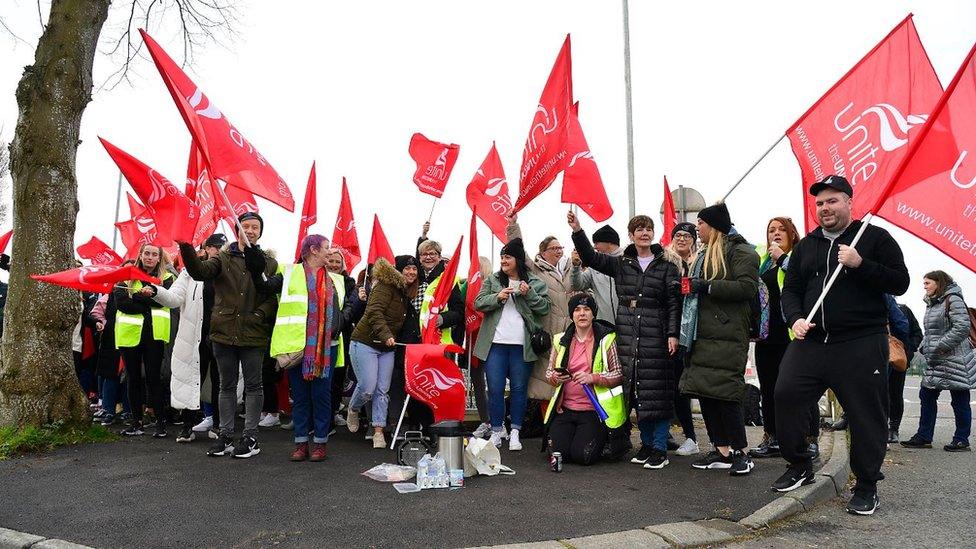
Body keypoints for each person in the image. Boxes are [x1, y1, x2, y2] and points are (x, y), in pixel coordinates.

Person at [773, 175, 909, 516]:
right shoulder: (806, 245)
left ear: (849, 201)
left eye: (832, 201)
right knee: (786, 395)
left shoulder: (874, 238)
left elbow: (900, 281)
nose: (825, 208)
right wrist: (795, 319)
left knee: (866, 415)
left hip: (861, 342)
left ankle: (866, 486)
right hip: (813, 341)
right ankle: (801, 462)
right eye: (820, 203)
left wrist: (861, 264)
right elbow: (790, 289)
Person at [570, 212, 681, 469]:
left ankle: (660, 448)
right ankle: (646, 443)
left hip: (657, 331)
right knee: (636, 389)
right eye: (639, 229)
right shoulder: (621, 263)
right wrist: (578, 231)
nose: (644, 233)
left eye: (648, 229)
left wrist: (672, 334)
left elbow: (674, 304)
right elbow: (590, 257)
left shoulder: (667, 266)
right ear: (631, 235)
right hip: (629, 331)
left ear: (653, 234)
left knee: (658, 391)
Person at [179, 212, 279, 459]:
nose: (251, 230)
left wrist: (258, 316)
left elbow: (271, 299)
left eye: (255, 227)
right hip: (224, 333)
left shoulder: (269, 262)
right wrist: (185, 246)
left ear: (260, 232)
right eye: (246, 226)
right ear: (238, 230)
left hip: (253, 335)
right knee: (226, 385)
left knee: (254, 386)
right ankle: (224, 435)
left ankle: (250, 437)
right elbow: (199, 271)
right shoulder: (223, 257)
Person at [250, 234, 359, 460]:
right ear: (313, 250)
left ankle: (320, 443)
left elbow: (348, 307)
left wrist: (340, 321)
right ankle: (301, 443)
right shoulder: (289, 273)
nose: (330, 252)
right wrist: (252, 255)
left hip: (327, 348)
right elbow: (263, 286)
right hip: (296, 349)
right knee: (300, 398)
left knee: (321, 397)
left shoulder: (337, 280)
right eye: (327, 248)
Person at [677, 203, 759, 476]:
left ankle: (741, 452)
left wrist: (707, 287)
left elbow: (747, 289)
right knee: (706, 392)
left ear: (713, 226)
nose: (696, 228)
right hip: (703, 333)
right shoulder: (703, 254)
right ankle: (721, 449)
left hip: (727, 334)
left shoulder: (742, 251)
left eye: (700, 223)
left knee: (725, 393)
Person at [749, 217, 820, 460]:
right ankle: (772, 437)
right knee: (769, 389)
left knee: (798, 389)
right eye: (771, 230)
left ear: (791, 234)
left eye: (781, 229)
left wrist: (783, 258)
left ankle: (809, 438)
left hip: (793, 334)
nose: (776, 233)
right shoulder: (762, 259)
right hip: (767, 335)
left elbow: (807, 280)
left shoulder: (800, 255)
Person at [474, 238, 552, 450]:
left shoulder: (535, 282)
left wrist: (529, 294)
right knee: (495, 389)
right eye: (501, 257)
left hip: (522, 345)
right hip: (495, 344)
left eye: (507, 257)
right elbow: (478, 303)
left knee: (519, 389)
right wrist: (497, 297)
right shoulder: (492, 280)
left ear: (517, 259)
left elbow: (544, 308)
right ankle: (497, 431)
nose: (503, 260)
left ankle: (516, 432)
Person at [149, 237, 224, 443]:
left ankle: (219, 425)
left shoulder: (228, 271)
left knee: (220, 381)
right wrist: (156, 292)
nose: (218, 251)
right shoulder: (189, 273)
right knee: (192, 378)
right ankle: (187, 426)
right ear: (206, 249)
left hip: (221, 336)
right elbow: (173, 298)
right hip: (194, 336)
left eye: (221, 247)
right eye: (214, 247)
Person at [544, 293, 624, 466]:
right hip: (565, 409)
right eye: (577, 310)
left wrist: (592, 377)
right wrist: (555, 377)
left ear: (593, 314)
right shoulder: (560, 340)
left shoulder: (607, 339)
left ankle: (603, 441)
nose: (582, 314)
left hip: (593, 410)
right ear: (572, 315)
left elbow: (618, 374)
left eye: (587, 309)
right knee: (559, 454)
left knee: (582, 456)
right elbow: (549, 373)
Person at [901, 271, 976, 452]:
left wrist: (940, 345)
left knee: (959, 399)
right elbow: (931, 331)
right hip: (936, 359)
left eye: (927, 283)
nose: (924, 286)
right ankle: (924, 436)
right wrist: (925, 346)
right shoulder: (932, 303)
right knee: (926, 396)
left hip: (956, 359)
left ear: (938, 283)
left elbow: (962, 327)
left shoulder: (953, 299)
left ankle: (961, 440)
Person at [506, 212, 572, 402]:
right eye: (553, 248)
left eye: (560, 247)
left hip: (569, 333)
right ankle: (547, 426)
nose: (558, 251)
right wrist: (513, 226)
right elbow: (518, 250)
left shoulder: (570, 270)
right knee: (545, 383)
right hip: (547, 331)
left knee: (569, 381)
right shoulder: (535, 269)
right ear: (543, 252)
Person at [347, 256, 411, 449]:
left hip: (387, 348)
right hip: (365, 342)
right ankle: (353, 407)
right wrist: (385, 334)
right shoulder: (384, 286)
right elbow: (374, 311)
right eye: (406, 269)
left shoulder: (403, 292)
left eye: (413, 269)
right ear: (397, 271)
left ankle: (378, 431)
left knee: (383, 389)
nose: (411, 273)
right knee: (368, 387)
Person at [113, 244, 175, 438]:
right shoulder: (125, 275)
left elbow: (163, 301)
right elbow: (122, 303)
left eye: (154, 254)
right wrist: (144, 297)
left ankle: (160, 423)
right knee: (132, 378)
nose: (149, 257)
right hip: (130, 334)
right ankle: (136, 422)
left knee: (154, 378)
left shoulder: (166, 278)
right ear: (140, 255)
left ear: (159, 258)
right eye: (146, 253)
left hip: (154, 335)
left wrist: (137, 298)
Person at [666, 221, 701, 457]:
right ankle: (689, 436)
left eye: (687, 236)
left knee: (698, 387)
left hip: (699, 333)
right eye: (678, 235)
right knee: (675, 387)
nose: (682, 239)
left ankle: (717, 440)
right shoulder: (666, 264)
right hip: (672, 334)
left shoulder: (701, 263)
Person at [326, 249, 366, 428]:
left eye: (338, 262)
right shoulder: (313, 280)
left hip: (341, 336)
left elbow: (352, 310)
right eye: (331, 261)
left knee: (336, 379)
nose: (334, 265)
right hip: (315, 338)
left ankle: (333, 413)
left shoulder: (349, 283)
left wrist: (359, 300)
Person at [464, 256, 494, 438]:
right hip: (473, 342)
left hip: (491, 341)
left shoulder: (493, 286)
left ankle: (498, 422)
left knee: (494, 385)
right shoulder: (465, 288)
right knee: (478, 383)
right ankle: (485, 420)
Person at [570, 225, 621, 326]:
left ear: (609, 242)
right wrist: (576, 267)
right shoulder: (594, 267)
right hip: (604, 326)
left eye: (597, 243)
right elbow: (578, 285)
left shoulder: (629, 262)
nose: (594, 247)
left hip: (628, 327)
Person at [890, 301, 923, 442]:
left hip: (898, 358)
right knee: (870, 394)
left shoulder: (903, 310)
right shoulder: (871, 305)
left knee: (895, 394)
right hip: (874, 357)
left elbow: (917, 334)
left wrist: (907, 350)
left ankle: (893, 428)